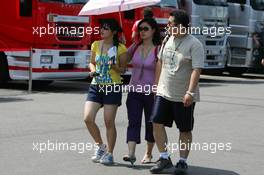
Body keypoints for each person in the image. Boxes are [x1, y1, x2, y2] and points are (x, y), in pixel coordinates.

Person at [149, 10, 204, 174]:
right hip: (164, 91)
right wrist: (156, 84)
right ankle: (164, 157)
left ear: (181, 26)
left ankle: (182, 161)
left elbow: (196, 70)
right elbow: (160, 62)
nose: (167, 26)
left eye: (171, 24)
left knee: (185, 129)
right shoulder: (167, 39)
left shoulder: (195, 44)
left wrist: (190, 92)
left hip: (183, 95)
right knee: (156, 122)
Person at [83, 18, 127, 165]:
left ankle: (110, 154)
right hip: (96, 85)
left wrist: (114, 66)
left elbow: (123, 70)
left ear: (114, 32)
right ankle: (100, 146)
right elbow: (91, 62)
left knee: (109, 122)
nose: (102, 30)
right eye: (101, 28)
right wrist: (93, 70)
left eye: (106, 28)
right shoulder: (96, 44)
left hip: (113, 86)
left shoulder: (120, 48)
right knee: (88, 118)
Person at [123, 18, 161, 165]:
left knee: (150, 123)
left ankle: (148, 153)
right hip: (134, 90)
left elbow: (161, 70)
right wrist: (123, 46)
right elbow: (123, 61)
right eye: (140, 29)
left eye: (145, 29)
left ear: (153, 30)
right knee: (133, 121)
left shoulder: (159, 49)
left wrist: (157, 88)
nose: (142, 32)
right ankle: (131, 153)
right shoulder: (135, 46)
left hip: (151, 92)